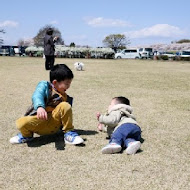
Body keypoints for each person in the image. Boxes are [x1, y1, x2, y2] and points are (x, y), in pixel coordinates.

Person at [10, 64, 84, 145]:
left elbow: (65, 114)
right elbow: (37, 95)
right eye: (66, 84)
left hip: (54, 125)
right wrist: (40, 107)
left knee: (65, 105)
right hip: (39, 122)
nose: (68, 86)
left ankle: (69, 133)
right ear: (55, 82)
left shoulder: (65, 97)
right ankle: (26, 136)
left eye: (69, 84)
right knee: (21, 123)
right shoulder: (45, 86)